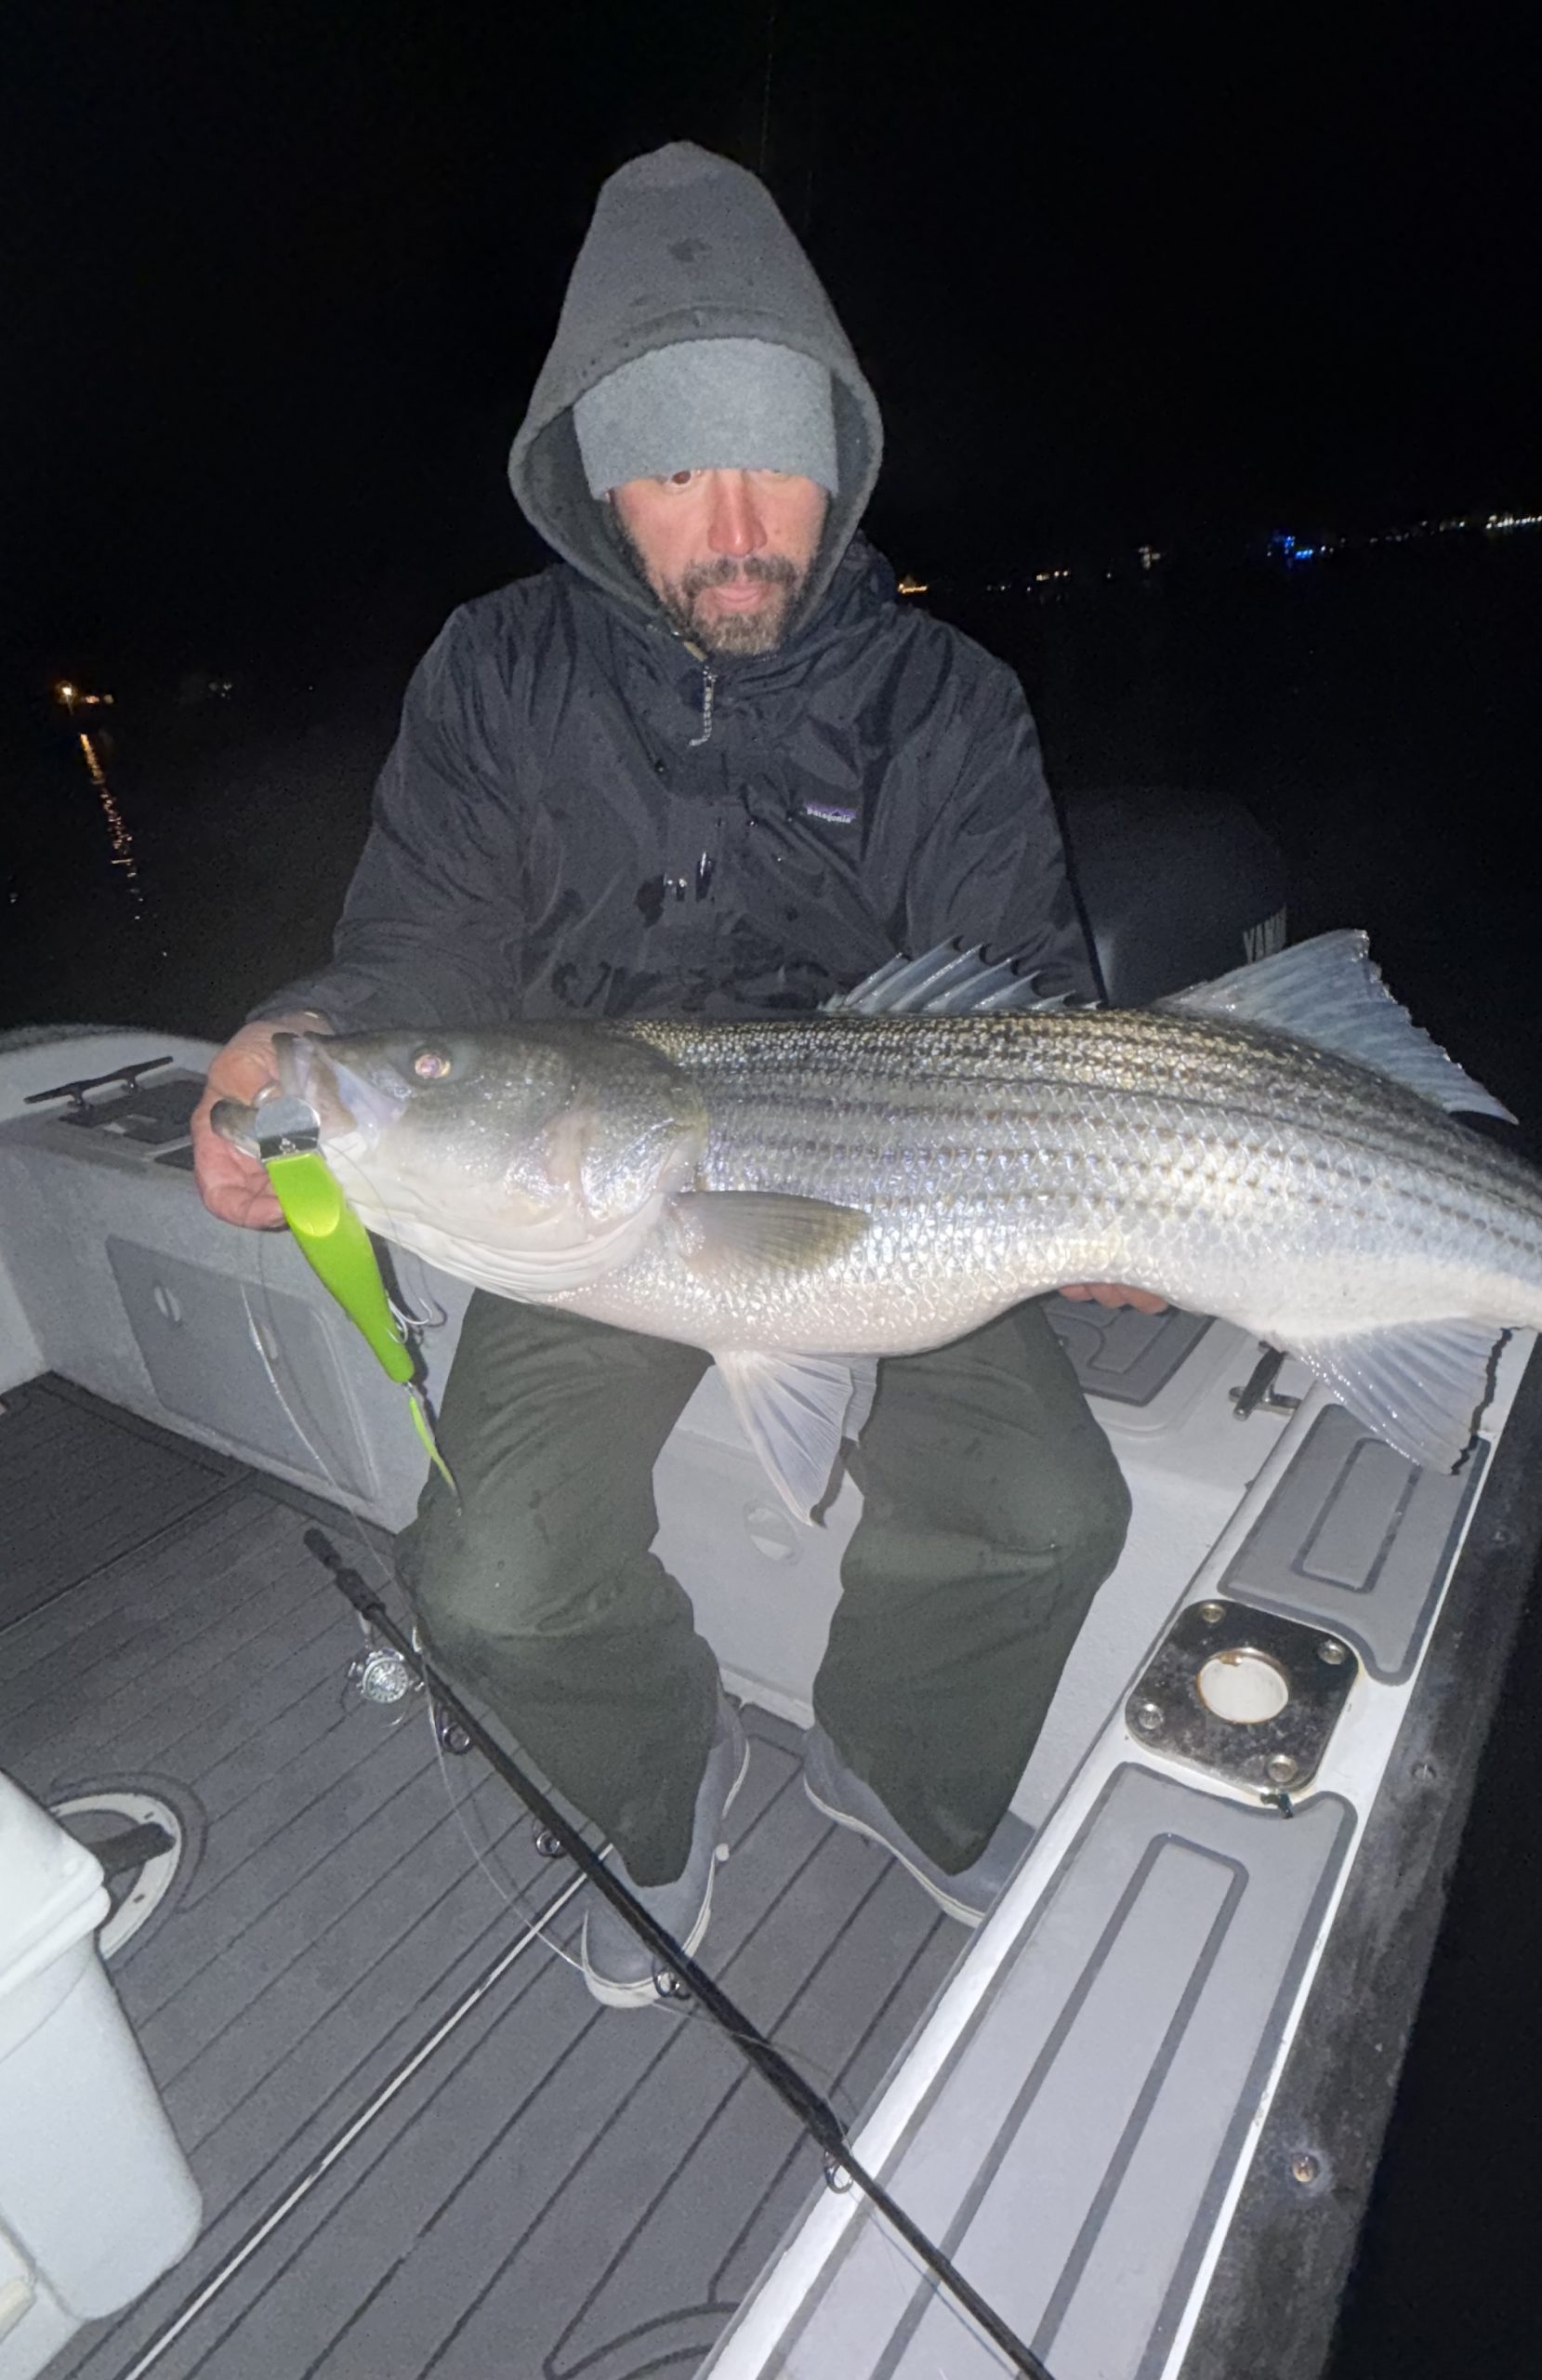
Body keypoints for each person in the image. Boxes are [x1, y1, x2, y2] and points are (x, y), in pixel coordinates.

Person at [193, 141, 1157, 2007]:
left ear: (839, 453)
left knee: (1055, 1511)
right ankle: (659, 1755)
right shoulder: (496, 676)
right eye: (670, 465)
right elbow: (420, 960)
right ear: (593, 485)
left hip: (907, 1185)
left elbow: (1022, 997)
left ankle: (893, 1758)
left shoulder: (947, 702)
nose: (733, 519)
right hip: (597, 1191)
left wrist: (1094, 1189)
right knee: (487, 1588)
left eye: (769, 457)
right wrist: (305, 1027)